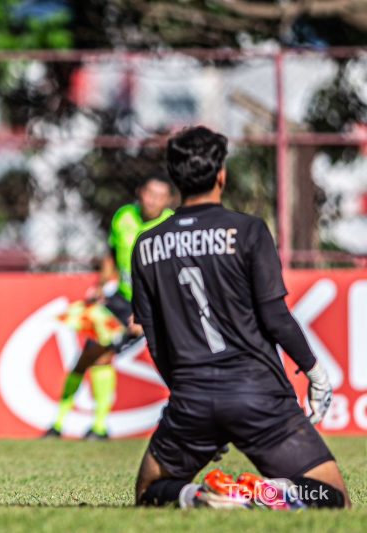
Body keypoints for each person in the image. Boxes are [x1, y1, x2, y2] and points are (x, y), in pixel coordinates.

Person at [132, 126, 348, 509]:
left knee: (150, 491)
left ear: (175, 179)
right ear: (221, 175)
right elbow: (276, 317)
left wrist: (187, 399)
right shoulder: (247, 231)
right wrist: (315, 373)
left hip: (192, 397)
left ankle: (199, 496)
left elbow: (155, 342)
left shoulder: (146, 246)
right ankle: (261, 495)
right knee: (331, 497)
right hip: (259, 395)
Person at [44, 175, 174, 440]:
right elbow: (112, 253)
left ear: (168, 200)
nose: (152, 200)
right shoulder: (124, 216)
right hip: (122, 299)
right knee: (91, 352)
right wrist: (103, 285)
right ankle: (62, 424)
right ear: (140, 192)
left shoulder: (172, 225)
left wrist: (148, 314)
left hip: (154, 303)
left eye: (159, 196)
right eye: (149, 193)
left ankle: (98, 426)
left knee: (107, 354)